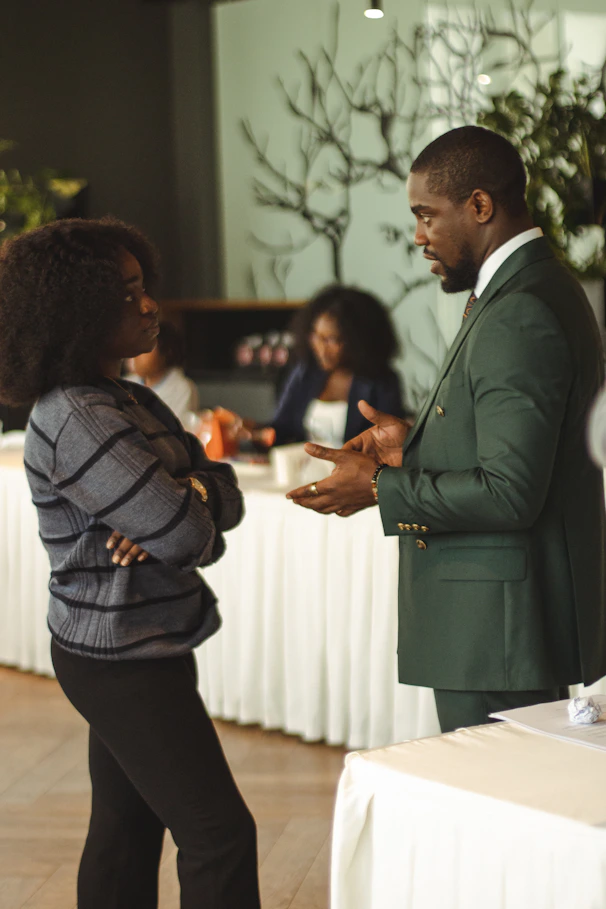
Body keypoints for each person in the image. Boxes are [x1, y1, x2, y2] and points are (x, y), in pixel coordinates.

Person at [287, 125, 606, 733]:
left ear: (480, 206)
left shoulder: (520, 310)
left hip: (498, 627)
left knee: (501, 811)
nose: (418, 237)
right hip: (501, 622)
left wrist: (380, 489)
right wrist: (421, 445)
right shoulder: (531, 289)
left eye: (426, 216)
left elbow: (511, 490)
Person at [0, 217, 260, 909]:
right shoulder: (76, 417)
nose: (149, 306)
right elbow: (187, 532)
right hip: (120, 655)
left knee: (125, 831)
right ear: (75, 312)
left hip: (144, 639)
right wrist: (182, 505)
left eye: (144, 288)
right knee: (220, 834)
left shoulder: (131, 399)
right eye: (125, 296)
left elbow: (219, 493)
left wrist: (188, 494)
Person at [269, 284, 406, 447]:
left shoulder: (382, 382)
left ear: (357, 340)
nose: (321, 348)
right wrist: (255, 432)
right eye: (316, 336)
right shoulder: (304, 372)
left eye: (332, 339)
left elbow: (387, 444)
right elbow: (281, 428)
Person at [127, 320, 199, 425]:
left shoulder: (182, 388)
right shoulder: (126, 383)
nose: (137, 356)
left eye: (146, 349)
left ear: (166, 352)